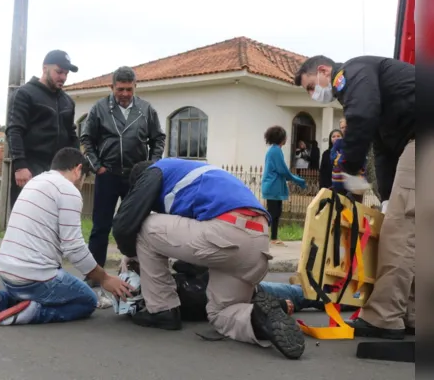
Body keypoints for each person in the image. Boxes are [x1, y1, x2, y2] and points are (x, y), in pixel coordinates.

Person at [112, 158, 306, 360]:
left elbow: (125, 225)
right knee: (221, 314)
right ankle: (258, 319)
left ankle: (162, 309)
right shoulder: (196, 176)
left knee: (145, 226)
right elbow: (194, 243)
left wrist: (131, 255)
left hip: (227, 231)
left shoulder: (154, 171)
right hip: (258, 242)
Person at [294, 55, 415, 339]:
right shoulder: (385, 99)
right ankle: (412, 312)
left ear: (324, 71)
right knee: (416, 232)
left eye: (311, 86)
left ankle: (384, 318)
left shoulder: (351, 73)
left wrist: (346, 165)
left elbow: (362, 116)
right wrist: (385, 196)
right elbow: (385, 150)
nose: (314, 95)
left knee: (400, 230)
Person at [0, 147, 132, 326]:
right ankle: (34, 312)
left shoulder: (36, 181)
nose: (81, 184)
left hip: (7, 273)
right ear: (78, 169)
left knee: (53, 285)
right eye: (84, 178)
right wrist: (105, 279)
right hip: (34, 280)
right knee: (87, 300)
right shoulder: (68, 190)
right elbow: (74, 248)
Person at [80, 66, 166, 280]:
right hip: (107, 174)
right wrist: (97, 166)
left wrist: (151, 166)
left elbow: (158, 139)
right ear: (112, 87)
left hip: (136, 178)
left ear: (135, 87)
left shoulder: (146, 110)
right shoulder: (99, 108)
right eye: (120, 89)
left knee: (136, 225)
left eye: (129, 89)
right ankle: (95, 276)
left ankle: (137, 272)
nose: (125, 94)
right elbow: (86, 139)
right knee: (101, 226)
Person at [5, 50, 82, 210]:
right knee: (27, 220)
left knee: (53, 221)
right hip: (30, 169)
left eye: (66, 74)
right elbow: (14, 130)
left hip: (58, 172)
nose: (63, 77)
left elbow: (71, 136)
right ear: (45, 68)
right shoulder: (24, 94)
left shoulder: (67, 102)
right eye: (59, 72)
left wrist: (77, 166)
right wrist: (20, 166)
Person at [261, 126, 307, 246]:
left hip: (273, 186)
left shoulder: (274, 150)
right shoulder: (275, 151)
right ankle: (266, 236)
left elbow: (282, 171)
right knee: (273, 213)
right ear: (281, 138)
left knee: (276, 212)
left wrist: (294, 179)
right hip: (273, 186)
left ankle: (273, 237)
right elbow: (283, 171)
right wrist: (297, 180)